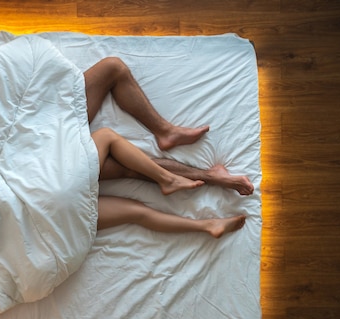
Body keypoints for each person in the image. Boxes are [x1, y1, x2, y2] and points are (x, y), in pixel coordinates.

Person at [83, 57, 249, 237]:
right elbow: (106, 137)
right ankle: (169, 140)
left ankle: (207, 208)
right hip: (57, 162)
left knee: (134, 192)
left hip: (58, 184)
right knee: (112, 68)